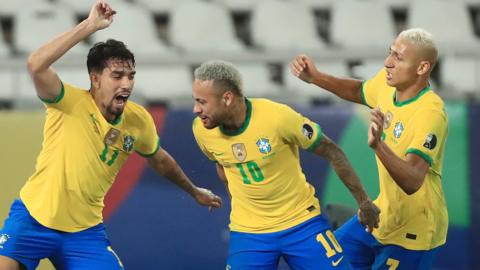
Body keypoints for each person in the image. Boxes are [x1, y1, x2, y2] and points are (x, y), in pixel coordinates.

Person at [0, 1, 222, 269]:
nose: (126, 84)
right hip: (32, 219)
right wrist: (90, 25)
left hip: (84, 233)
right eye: (117, 75)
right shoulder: (67, 101)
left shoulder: (138, 120)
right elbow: (35, 64)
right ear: (95, 79)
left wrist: (194, 191)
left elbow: (160, 159)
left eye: (131, 76)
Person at [191, 60, 380, 270]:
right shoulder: (202, 130)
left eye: (202, 102)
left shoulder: (278, 118)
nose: (195, 109)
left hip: (301, 224)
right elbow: (223, 165)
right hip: (249, 233)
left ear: (227, 98)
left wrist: (364, 203)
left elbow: (333, 152)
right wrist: (243, 207)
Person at [290, 28, 448, 269]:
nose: (388, 63)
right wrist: (316, 78)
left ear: (422, 68)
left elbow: (413, 181)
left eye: (399, 58)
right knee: (323, 263)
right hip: (384, 215)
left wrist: (379, 146)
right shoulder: (387, 87)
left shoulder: (430, 113)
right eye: (390, 53)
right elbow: (359, 91)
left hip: (415, 232)